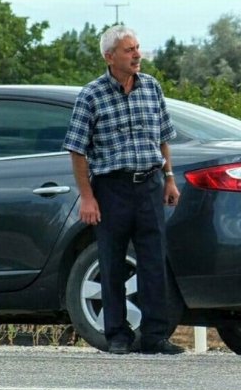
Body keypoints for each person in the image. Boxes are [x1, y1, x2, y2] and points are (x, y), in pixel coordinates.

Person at [63, 25, 184, 355]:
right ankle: (117, 334)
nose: (137, 55)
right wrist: (87, 197)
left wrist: (169, 178)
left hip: (149, 184)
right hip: (111, 188)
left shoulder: (151, 88)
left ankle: (155, 335)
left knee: (153, 261)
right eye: (129, 50)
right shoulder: (91, 95)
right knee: (112, 262)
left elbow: (163, 138)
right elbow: (77, 149)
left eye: (138, 48)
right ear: (109, 56)